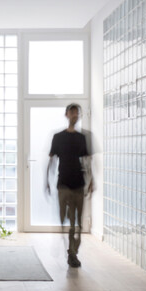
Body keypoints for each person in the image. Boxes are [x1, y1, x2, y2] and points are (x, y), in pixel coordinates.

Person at [46, 103, 93, 268]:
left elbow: (87, 161)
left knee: (77, 223)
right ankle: (70, 250)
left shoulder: (81, 138)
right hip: (63, 184)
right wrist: (47, 180)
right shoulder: (58, 137)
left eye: (77, 113)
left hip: (78, 184)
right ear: (66, 114)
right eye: (72, 112)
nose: (75, 115)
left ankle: (72, 253)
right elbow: (52, 160)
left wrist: (91, 180)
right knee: (65, 219)